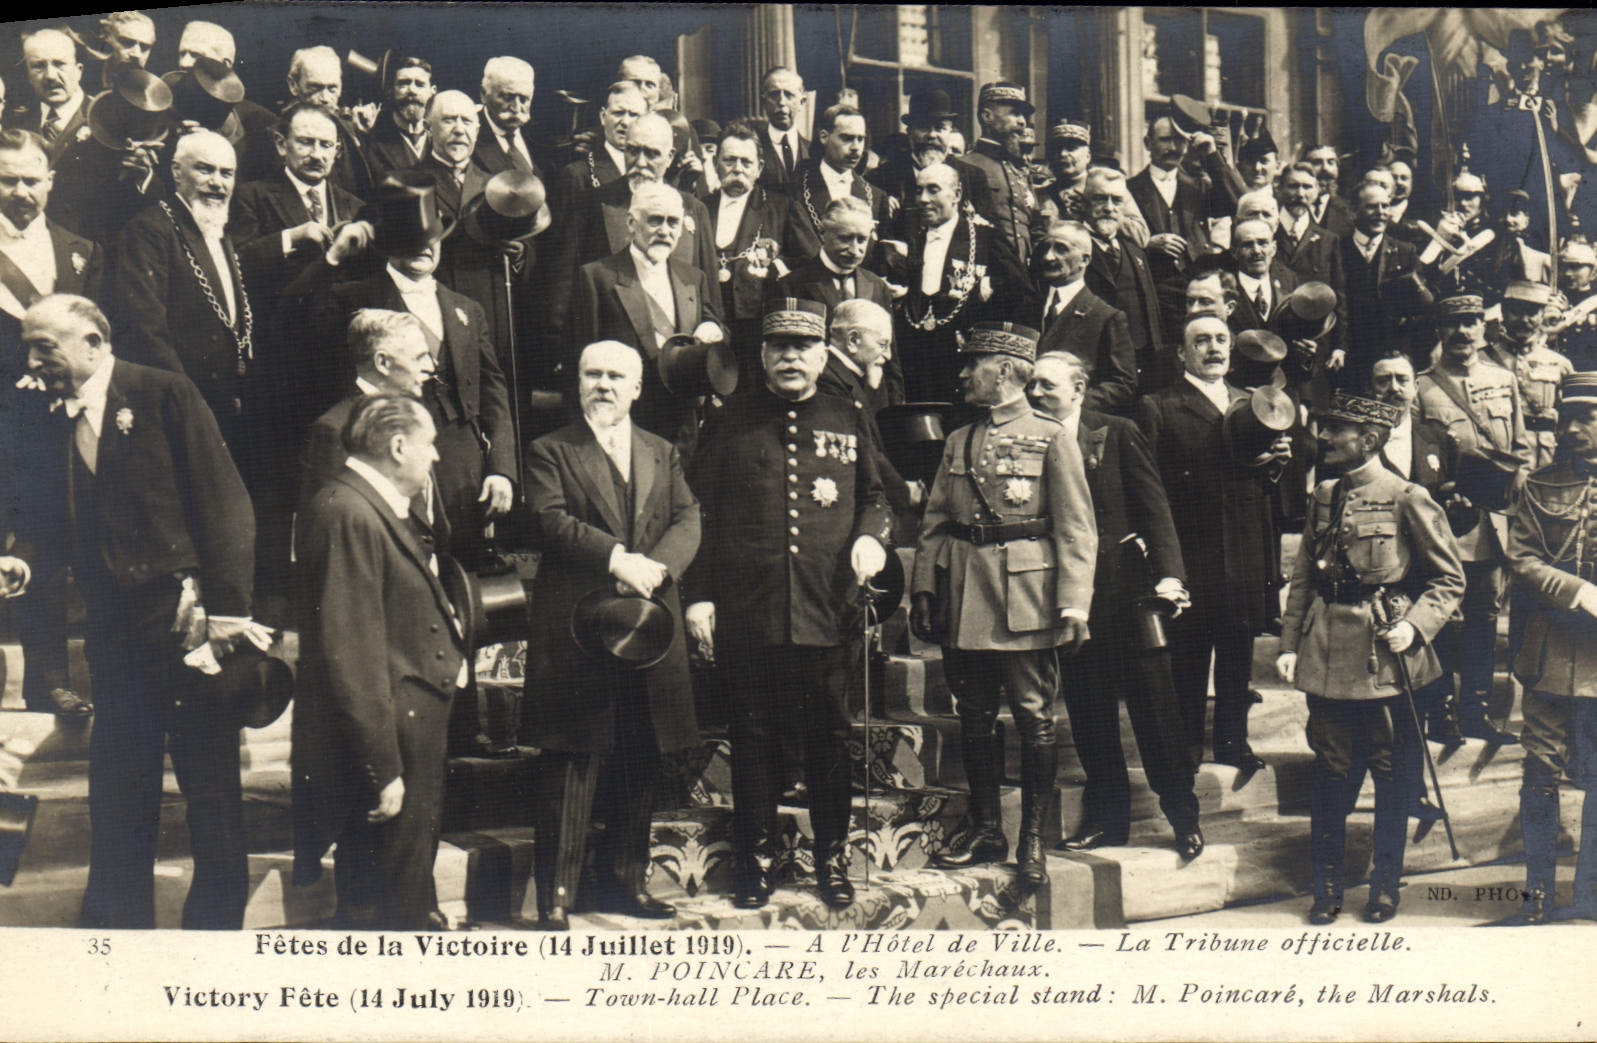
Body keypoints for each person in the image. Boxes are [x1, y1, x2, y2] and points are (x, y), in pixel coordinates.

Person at [9, 294, 261, 928]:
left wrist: (227, 611)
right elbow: (41, 512)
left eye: (47, 346)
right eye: (28, 346)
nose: (33, 360)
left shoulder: (162, 394)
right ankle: (118, 922)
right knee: (120, 777)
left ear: (94, 341)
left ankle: (214, 926)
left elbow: (225, 503)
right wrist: (22, 560)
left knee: (209, 779)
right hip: (112, 627)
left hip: (184, 618)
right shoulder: (45, 415)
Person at [685, 299, 891, 911]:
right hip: (750, 609)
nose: (791, 358)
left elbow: (877, 498)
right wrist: (698, 596)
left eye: (804, 348)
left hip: (828, 608)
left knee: (829, 738)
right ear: (763, 355)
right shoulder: (730, 420)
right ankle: (755, 857)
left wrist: (868, 540)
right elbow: (696, 514)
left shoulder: (849, 413)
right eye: (780, 348)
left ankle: (830, 857)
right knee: (753, 737)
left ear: (824, 354)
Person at [911, 322, 1097, 890]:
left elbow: (1075, 529)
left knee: (1033, 718)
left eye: (975, 364)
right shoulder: (959, 439)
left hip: (1026, 597)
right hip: (966, 591)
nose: (964, 374)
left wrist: (1073, 604)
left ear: (1006, 370)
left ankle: (1032, 839)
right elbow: (936, 522)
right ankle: (987, 826)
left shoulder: (1050, 435)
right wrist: (924, 587)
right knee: (973, 714)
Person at [523, 340, 701, 929]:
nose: (603, 384)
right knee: (574, 758)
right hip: (580, 625)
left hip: (650, 623)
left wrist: (659, 568)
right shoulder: (550, 450)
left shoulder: (662, 451)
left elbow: (687, 517)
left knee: (640, 753)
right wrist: (617, 560)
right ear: (577, 384)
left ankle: (624, 884)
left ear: (637, 388)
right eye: (591, 374)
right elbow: (549, 519)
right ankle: (556, 895)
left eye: (615, 376)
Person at [1277, 392, 1464, 924]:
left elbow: (1450, 580)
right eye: (1326, 427)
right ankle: (1327, 886)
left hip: (1387, 658)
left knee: (1390, 774)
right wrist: (1290, 644)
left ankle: (1385, 885)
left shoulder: (1408, 496)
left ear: (1371, 440)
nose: (1326, 438)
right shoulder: (1325, 495)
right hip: (1328, 654)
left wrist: (1414, 625)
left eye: (1338, 429)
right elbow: (1304, 578)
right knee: (1332, 773)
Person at [293, 393, 466, 930]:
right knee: (384, 901)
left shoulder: (363, 505)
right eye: (430, 444)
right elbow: (353, 650)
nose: (435, 457)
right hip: (391, 729)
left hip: (406, 722)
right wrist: (382, 768)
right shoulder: (349, 511)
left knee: (399, 884)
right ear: (397, 446)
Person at [1028, 351, 1202, 858]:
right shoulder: (1030, 438)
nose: (1036, 393)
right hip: (1070, 600)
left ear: (1079, 389)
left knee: (1156, 713)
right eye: (1032, 385)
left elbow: (1153, 506)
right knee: (1090, 713)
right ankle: (1108, 821)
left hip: (1128, 594)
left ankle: (1184, 818)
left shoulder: (1118, 432)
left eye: (1047, 385)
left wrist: (1170, 577)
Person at [1139, 316, 1288, 772]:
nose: (1213, 348)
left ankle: (1232, 741)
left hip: (1244, 545)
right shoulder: (1160, 406)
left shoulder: (1253, 402)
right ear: (1182, 354)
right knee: (1188, 651)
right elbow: (1148, 485)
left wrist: (1277, 463)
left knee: (1238, 648)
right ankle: (1186, 746)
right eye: (1200, 341)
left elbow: (1270, 484)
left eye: (1221, 339)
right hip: (1191, 546)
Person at [0, 129, 104, 718]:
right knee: (26, 550)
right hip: (7, 430)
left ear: (51, 182)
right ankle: (44, 679)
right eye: (8, 180)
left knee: (80, 545)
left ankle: (87, 676)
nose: (21, 191)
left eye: (31, 180)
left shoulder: (79, 250)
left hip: (71, 423)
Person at [1503, 372, 1597, 923]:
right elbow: (1522, 558)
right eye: (1569, 418)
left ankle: (1591, 892)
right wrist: (1578, 590)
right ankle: (1537, 894)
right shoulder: (1541, 485)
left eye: (1588, 417)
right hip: (1551, 655)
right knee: (1539, 773)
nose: (1574, 428)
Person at [1416, 294, 1530, 745]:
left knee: (1483, 618)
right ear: (1440, 330)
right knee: (1443, 617)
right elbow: (1413, 461)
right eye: (1454, 323)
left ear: (1484, 328)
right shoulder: (1423, 388)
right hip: (1444, 524)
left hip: (1493, 524)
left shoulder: (1504, 380)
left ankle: (1476, 711)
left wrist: (1516, 488)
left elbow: (1520, 448)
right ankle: (1440, 711)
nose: (1463, 332)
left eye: (1471, 322)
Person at [567, 180, 726, 452]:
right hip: (626, 426)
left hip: (682, 431)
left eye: (673, 222)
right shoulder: (597, 277)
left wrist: (712, 328)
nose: (665, 231)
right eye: (655, 221)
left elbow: (719, 329)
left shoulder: (693, 278)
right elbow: (579, 362)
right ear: (631, 222)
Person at [895, 162, 1028, 404]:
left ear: (956, 194)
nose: (923, 199)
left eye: (933, 190)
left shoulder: (986, 238)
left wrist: (990, 289)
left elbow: (1021, 295)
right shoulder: (911, 241)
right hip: (915, 365)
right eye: (919, 190)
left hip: (964, 367)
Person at [297, 309, 437, 508]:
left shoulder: (414, 413)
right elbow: (337, 520)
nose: (430, 367)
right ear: (383, 363)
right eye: (419, 357)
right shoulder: (334, 429)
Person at [774, 197, 897, 400]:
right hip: (819, 400)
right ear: (823, 233)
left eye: (861, 239)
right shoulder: (791, 285)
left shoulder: (877, 286)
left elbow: (891, 357)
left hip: (871, 401)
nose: (855, 249)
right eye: (845, 238)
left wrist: (893, 407)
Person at [1023, 218, 1138, 413]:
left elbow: (1122, 383)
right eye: (1046, 248)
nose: (1049, 257)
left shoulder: (1105, 316)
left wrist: (1070, 405)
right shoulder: (1025, 307)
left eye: (1061, 249)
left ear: (1085, 259)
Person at [1083, 167, 1165, 392]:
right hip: (1098, 372)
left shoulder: (1136, 252)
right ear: (1085, 202)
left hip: (1142, 371)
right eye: (1100, 199)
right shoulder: (1073, 250)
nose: (1109, 208)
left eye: (1117, 201)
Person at [784, 104, 889, 264]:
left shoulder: (876, 197)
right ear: (824, 137)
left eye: (860, 139)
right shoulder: (796, 190)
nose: (856, 147)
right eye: (847, 138)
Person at [1485, 280, 1570, 473]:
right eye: (1516, 311)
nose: (1524, 320)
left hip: (1544, 457)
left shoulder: (1560, 364)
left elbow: (1570, 416)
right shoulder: (1482, 360)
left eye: (1532, 312)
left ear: (1542, 315)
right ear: (1504, 313)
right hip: (1499, 454)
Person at [955, 82, 1038, 267]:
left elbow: (1035, 225)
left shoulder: (1021, 170)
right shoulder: (964, 166)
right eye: (1015, 113)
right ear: (987, 116)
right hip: (987, 273)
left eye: (1023, 115)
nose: (1023, 122)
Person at [13, 30, 89, 164]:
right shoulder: (16, 124)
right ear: (28, 75)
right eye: (38, 66)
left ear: (78, 71)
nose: (50, 76)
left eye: (59, 64)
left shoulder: (104, 117)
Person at [362, 56, 436, 177]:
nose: (412, 90)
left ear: (432, 92)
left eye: (420, 84)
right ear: (390, 91)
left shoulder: (439, 139)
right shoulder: (374, 142)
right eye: (403, 84)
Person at [751, 66, 806, 190]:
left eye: (789, 95)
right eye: (774, 95)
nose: (781, 102)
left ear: (801, 102)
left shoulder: (813, 152)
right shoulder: (751, 149)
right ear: (763, 102)